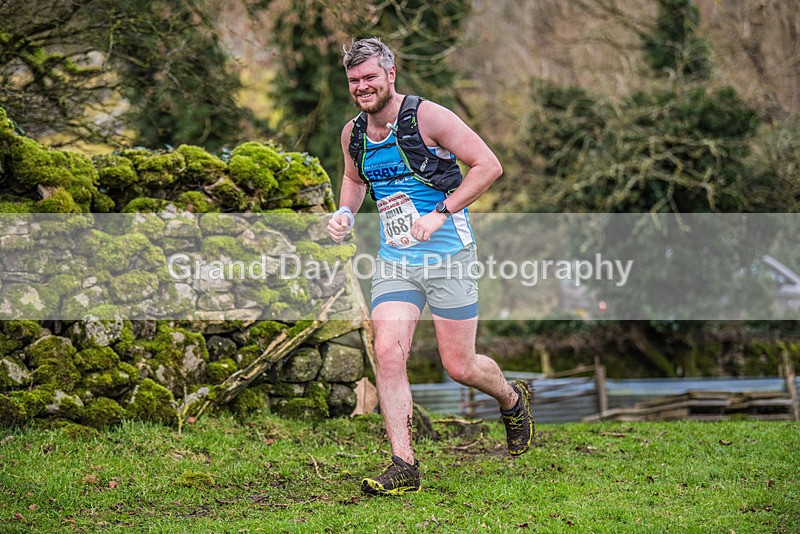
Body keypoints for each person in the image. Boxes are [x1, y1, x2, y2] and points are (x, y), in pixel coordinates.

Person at [327, 37, 534, 496]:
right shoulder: (353, 134)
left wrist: (442, 210)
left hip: (449, 257)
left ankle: (512, 398)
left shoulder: (428, 117)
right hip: (395, 261)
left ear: (390, 75)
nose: (362, 87)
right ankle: (404, 465)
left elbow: (488, 165)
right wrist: (345, 212)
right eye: (354, 81)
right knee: (387, 354)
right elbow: (352, 179)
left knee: (459, 365)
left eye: (370, 78)